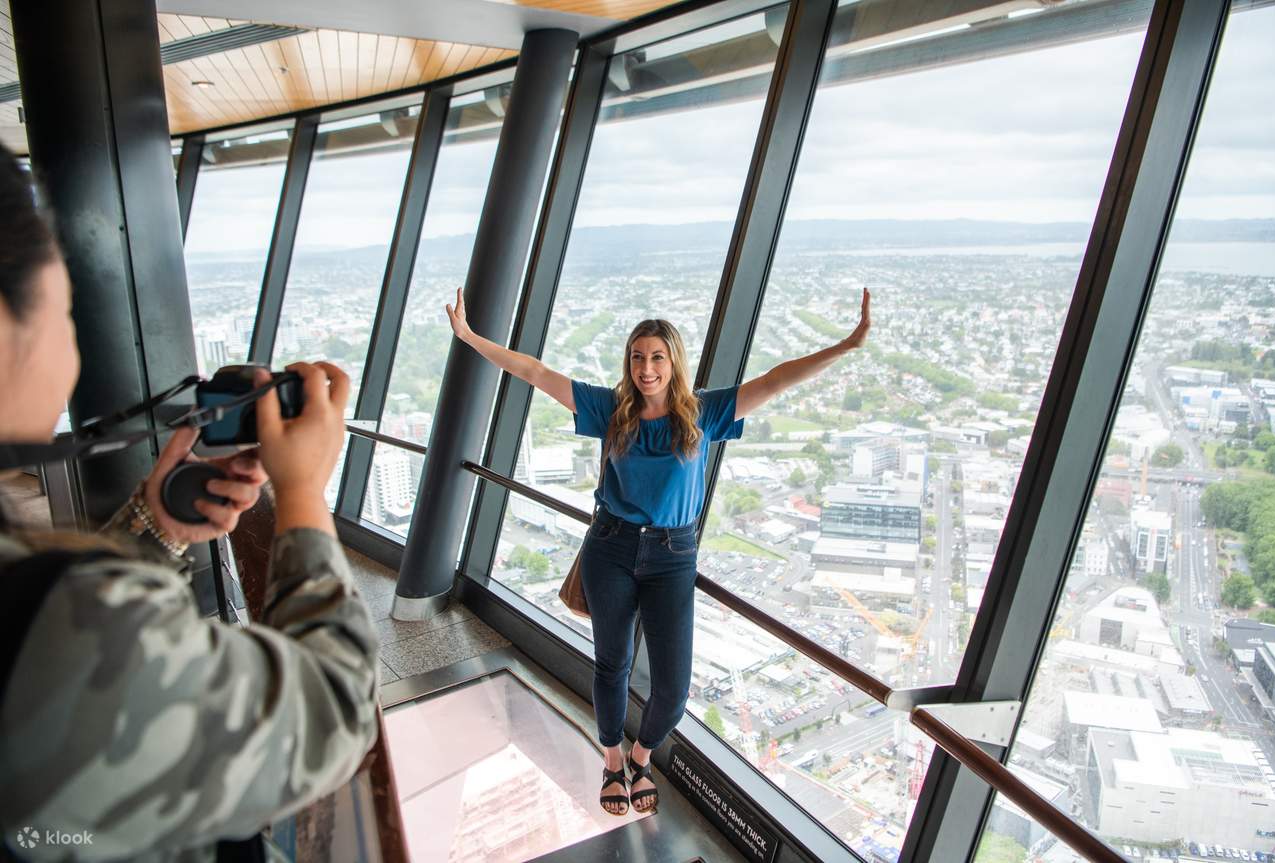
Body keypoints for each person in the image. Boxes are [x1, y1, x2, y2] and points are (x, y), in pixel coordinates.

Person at [0, 142, 380, 860]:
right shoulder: (50, 637)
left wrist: (154, 525)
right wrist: (300, 489)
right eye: (63, 307)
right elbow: (332, 710)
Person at [445, 283, 871, 815]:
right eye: (638, 357)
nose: (647, 368)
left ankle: (641, 757)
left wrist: (845, 346)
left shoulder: (704, 414)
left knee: (673, 686)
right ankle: (611, 759)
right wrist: (468, 336)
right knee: (612, 663)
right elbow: (533, 371)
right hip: (611, 547)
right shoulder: (610, 409)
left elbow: (776, 379)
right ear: (630, 362)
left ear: (674, 362)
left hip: (673, 557)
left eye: (657, 358)